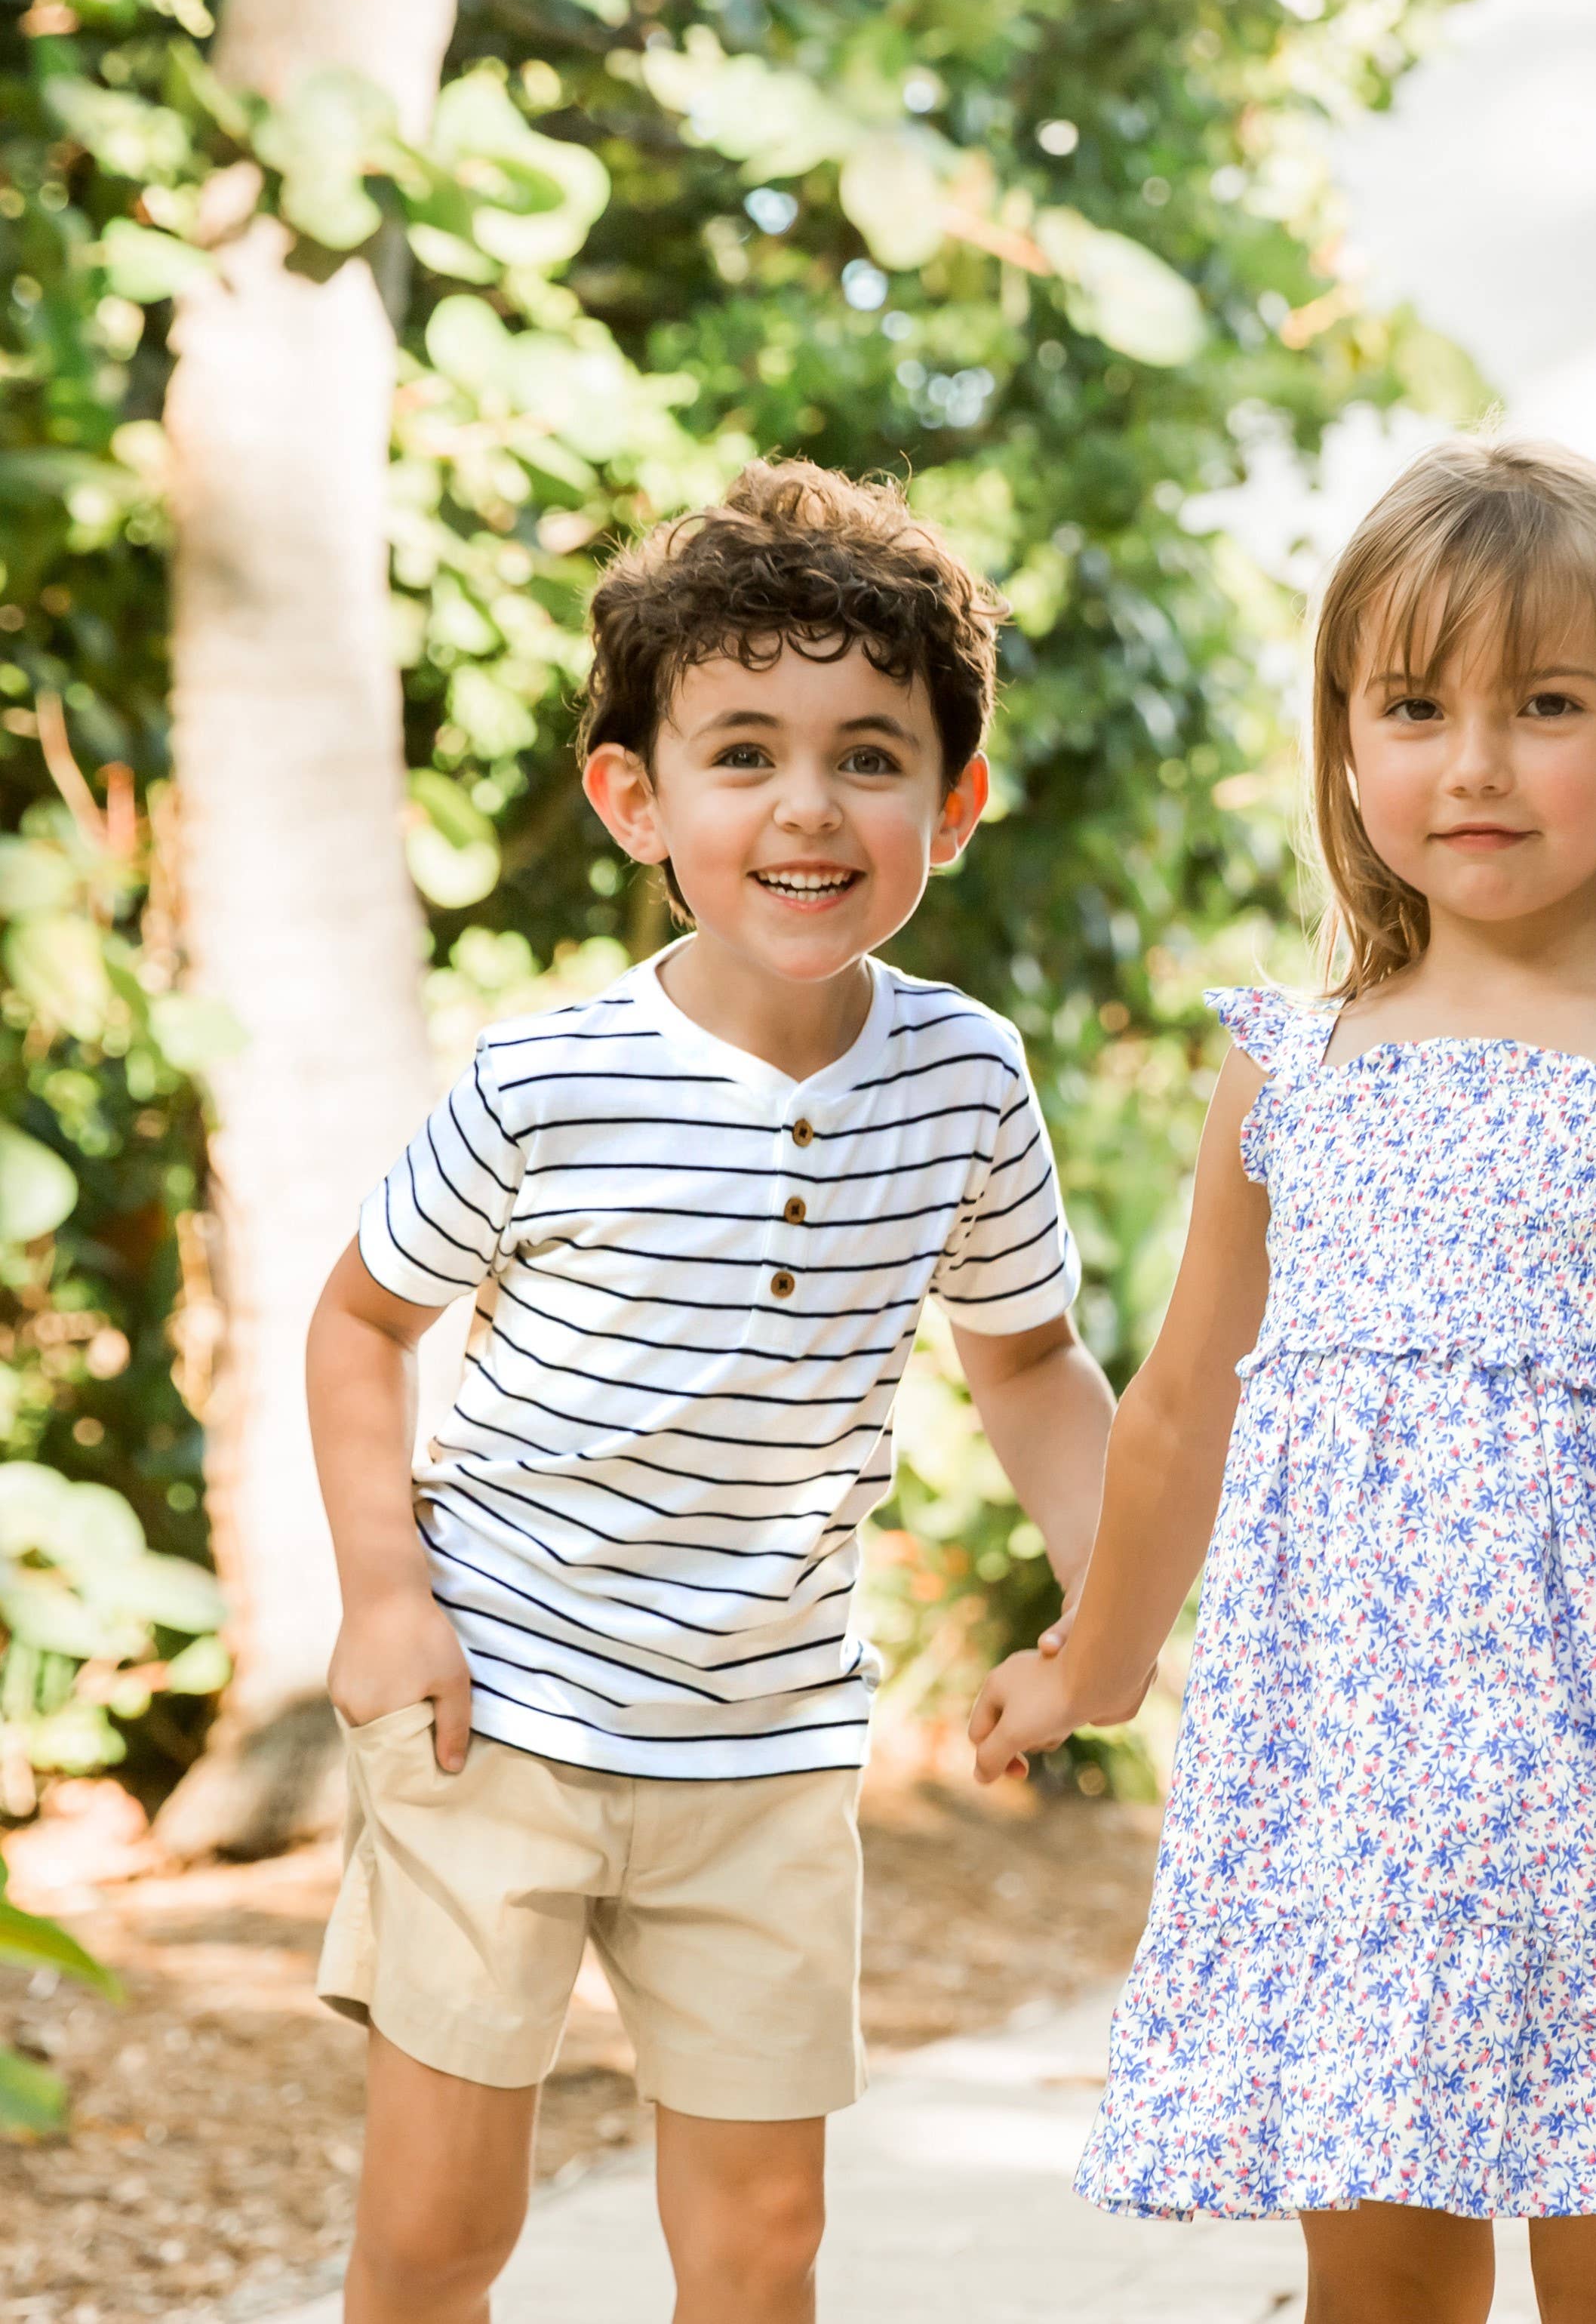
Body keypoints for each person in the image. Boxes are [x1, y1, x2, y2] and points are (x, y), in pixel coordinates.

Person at [971, 434, 1596, 2322]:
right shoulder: (1291, 1068)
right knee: (1377, 2284)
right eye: (1413, 707)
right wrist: (1095, 1659)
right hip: (1340, 1813)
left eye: (1545, 704)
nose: (1474, 764)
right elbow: (1184, 1405)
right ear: (1344, 742)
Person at [308, 460, 1115, 2324]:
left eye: (868, 756)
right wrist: (383, 1597)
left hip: (765, 1748)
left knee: (759, 2255)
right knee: (439, 2236)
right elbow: (359, 1325)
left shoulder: (968, 1082)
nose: (807, 806)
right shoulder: (547, 1080)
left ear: (954, 805)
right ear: (637, 801)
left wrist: (1106, 1616)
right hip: (495, 1713)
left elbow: (1027, 1360)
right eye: (743, 754)